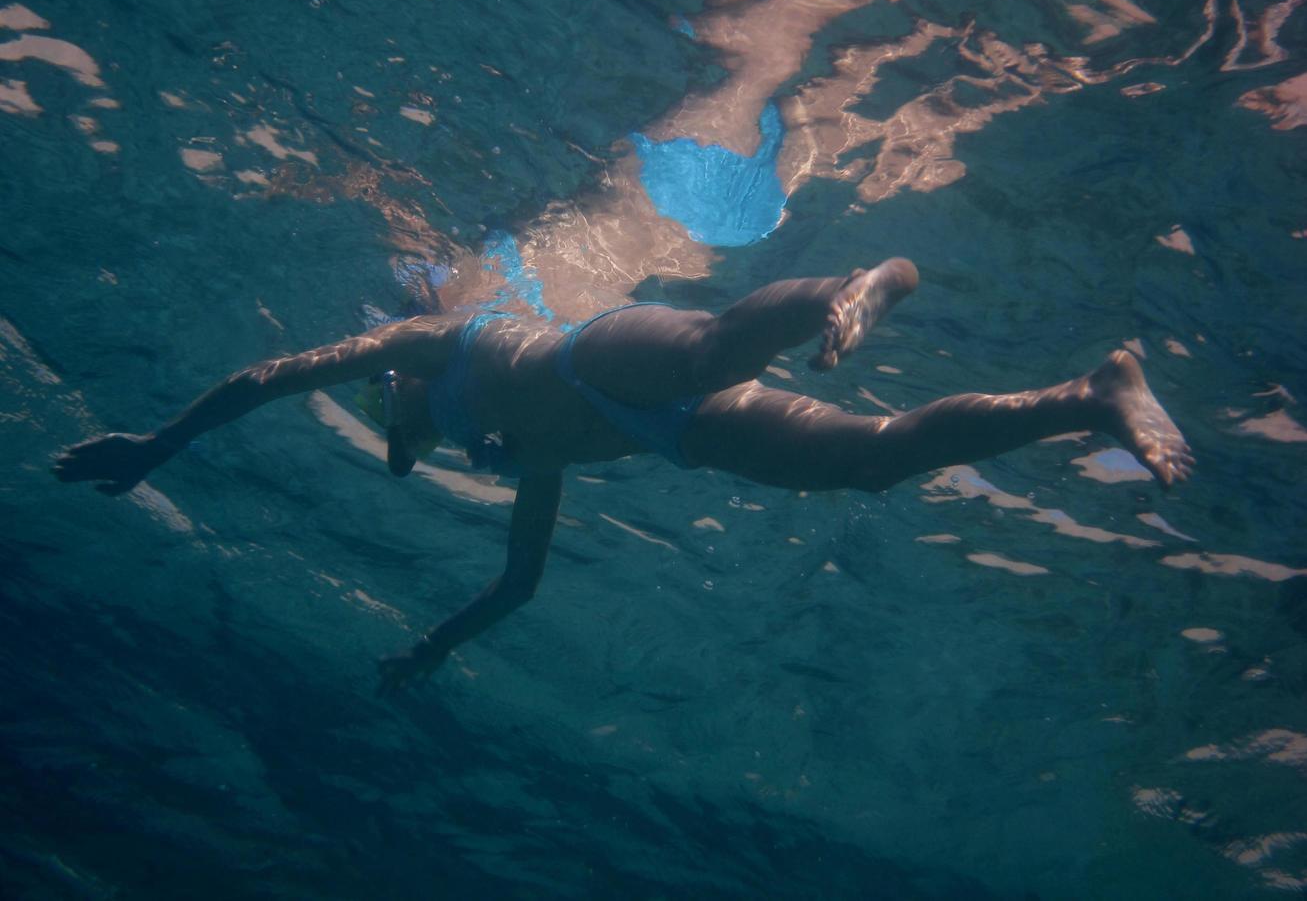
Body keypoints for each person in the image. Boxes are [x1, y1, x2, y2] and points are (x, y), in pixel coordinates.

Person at [53, 258, 1193, 690]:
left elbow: (271, 374)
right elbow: (520, 582)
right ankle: (1086, 394)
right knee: (873, 462)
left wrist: (158, 444)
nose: (382, 416)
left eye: (380, 410)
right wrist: (434, 646)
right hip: (666, 430)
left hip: (594, 348)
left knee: (708, 344)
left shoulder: (424, 343)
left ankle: (869, 279)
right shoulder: (514, 456)